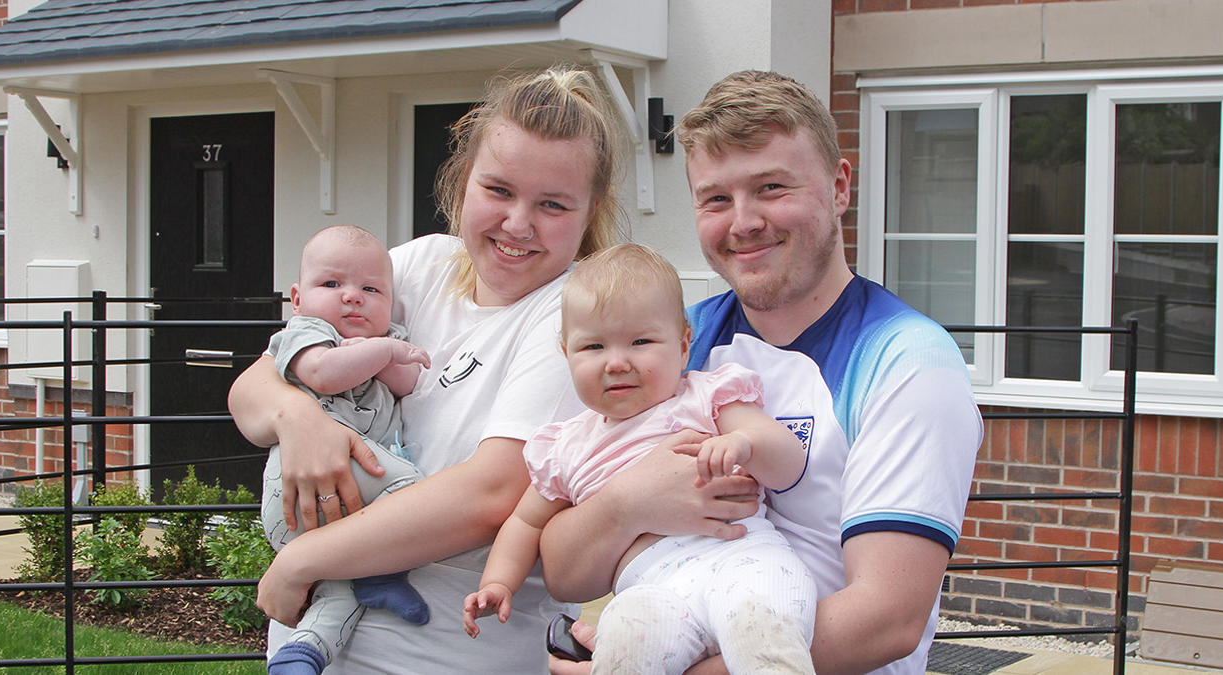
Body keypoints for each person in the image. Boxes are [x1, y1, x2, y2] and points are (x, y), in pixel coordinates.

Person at [539, 70, 983, 675]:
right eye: (716, 198)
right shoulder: (669, 342)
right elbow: (564, 567)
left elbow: (888, 619)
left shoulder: (907, 361)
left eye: (771, 187)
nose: (742, 222)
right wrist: (626, 506)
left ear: (839, 186)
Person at [227, 65, 627, 672]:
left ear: (590, 209)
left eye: (552, 204)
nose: (518, 223)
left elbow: (491, 494)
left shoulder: (583, 315)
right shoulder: (417, 267)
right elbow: (256, 385)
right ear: (465, 180)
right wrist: (296, 415)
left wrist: (303, 561)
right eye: (498, 190)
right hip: (309, 652)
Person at [462, 244, 815, 674]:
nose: (616, 362)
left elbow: (789, 462)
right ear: (566, 353)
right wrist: (498, 581)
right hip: (651, 590)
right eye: (592, 346)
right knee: (627, 634)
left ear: (684, 345)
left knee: (764, 625)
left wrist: (745, 444)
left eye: (641, 342)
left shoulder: (705, 397)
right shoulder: (566, 447)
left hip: (740, 560)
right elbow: (526, 522)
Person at [258, 225, 433, 674]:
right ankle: (381, 571)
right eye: (332, 284)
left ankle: (302, 655)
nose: (352, 297)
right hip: (300, 486)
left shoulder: (380, 340)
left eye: (370, 289)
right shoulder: (306, 333)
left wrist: (385, 351)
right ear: (297, 299)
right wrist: (384, 348)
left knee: (336, 590)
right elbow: (323, 374)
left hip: (342, 506)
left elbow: (408, 383)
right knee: (415, 493)